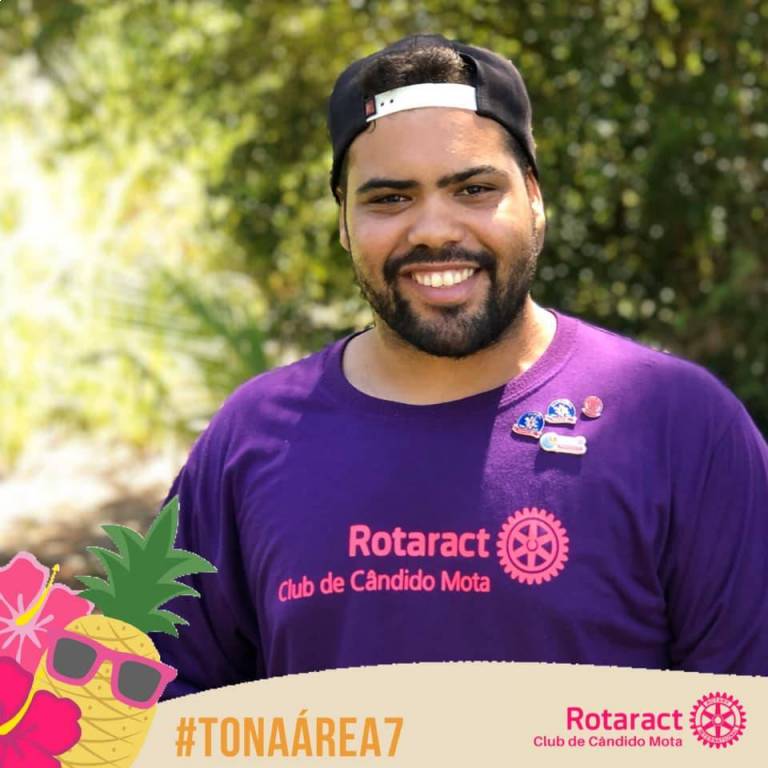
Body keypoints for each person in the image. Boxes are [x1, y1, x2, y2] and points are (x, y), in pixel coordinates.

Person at [154, 34, 768, 698]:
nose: (435, 230)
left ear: (535, 198)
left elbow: (743, 717)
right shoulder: (252, 439)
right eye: (390, 199)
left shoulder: (681, 426)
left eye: (474, 189)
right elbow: (155, 700)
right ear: (343, 223)